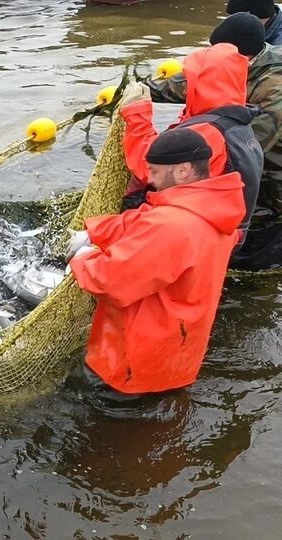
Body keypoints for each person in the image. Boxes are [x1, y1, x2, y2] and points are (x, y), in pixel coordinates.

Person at [66, 129, 245, 396]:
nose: (148, 179)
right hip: (177, 353)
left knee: (96, 424)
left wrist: (82, 258)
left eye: (154, 171)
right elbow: (145, 220)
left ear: (183, 170)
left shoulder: (171, 226)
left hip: (131, 363)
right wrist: (96, 231)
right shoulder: (215, 208)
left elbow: (110, 280)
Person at [121, 40, 262, 244]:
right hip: (221, 232)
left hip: (188, 236)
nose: (185, 88)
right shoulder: (237, 120)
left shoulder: (209, 132)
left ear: (205, 83)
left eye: (190, 80)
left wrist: (137, 114)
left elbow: (149, 169)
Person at [145, 13, 281, 221]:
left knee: (256, 230)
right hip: (244, 166)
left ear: (240, 56)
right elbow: (188, 84)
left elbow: (248, 145)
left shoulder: (275, 85)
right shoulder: (229, 65)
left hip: (271, 176)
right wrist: (140, 90)